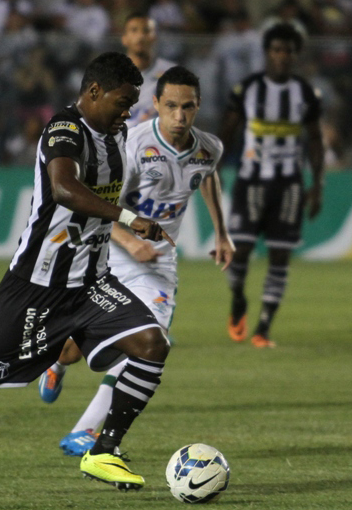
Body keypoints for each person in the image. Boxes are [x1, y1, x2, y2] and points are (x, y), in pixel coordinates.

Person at [0, 52, 174, 497]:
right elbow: (63, 188)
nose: (127, 113)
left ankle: (103, 450)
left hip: (92, 285)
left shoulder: (118, 135)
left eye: (132, 104)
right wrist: (128, 218)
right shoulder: (64, 129)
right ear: (94, 91)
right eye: (122, 102)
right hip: (35, 289)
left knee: (153, 344)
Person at [39, 66, 234, 457]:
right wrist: (130, 241)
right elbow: (97, 205)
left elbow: (208, 176)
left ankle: (84, 431)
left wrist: (221, 232)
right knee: (76, 350)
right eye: (172, 106)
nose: (180, 115)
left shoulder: (209, 147)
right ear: (156, 104)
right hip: (108, 253)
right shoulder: (132, 144)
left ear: (198, 107)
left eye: (188, 107)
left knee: (148, 343)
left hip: (158, 265)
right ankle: (58, 363)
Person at [219, 23, 325, 348]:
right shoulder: (247, 89)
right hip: (250, 180)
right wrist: (213, 169)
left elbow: (315, 140)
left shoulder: (305, 93)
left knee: (280, 255)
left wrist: (317, 184)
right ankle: (238, 297)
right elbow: (228, 131)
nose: (282, 56)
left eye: (288, 51)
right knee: (239, 252)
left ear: (295, 55)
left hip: (289, 185)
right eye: (277, 50)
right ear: (267, 53)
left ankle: (263, 328)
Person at [121, 12, 176, 128]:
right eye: (134, 30)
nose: (140, 36)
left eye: (146, 31)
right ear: (124, 39)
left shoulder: (171, 73)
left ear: (155, 37)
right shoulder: (111, 73)